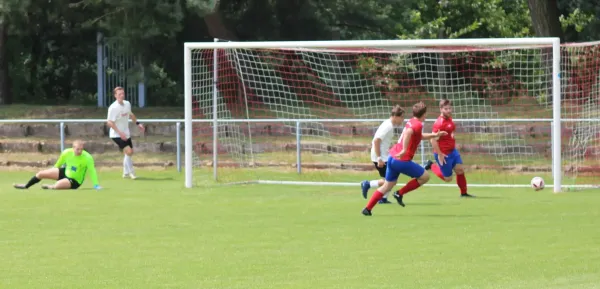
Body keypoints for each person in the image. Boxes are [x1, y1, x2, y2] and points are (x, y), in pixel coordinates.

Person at [362, 101, 446, 216]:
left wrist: (435, 135)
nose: (426, 116)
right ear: (423, 114)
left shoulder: (412, 121)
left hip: (392, 157)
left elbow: (418, 136)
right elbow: (408, 133)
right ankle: (400, 193)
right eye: (425, 114)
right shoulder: (417, 125)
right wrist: (404, 150)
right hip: (401, 160)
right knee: (425, 177)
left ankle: (367, 209)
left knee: (387, 185)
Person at [428, 99, 475, 197]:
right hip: (443, 154)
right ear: (441, 109)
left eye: (450, 108)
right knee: (448, 179)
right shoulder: (439, 123)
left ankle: (464, 193)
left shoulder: (449, 118)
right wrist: (440, 154)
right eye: (446, 109)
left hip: (452, 151)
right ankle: (431, 165)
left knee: (460, 170)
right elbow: (432, 140)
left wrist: (452, 136)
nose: (449, 110)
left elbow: (451, 130)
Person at [360, 105, 405, 204]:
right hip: (380, 157)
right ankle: (368, 184)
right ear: (395, 116)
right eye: (402, 117)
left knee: (390, 180)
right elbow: (376, 141)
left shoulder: (389, 125)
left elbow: (382, 141)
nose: (402, 120)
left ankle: (383, 198)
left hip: (384, 156)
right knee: (390, 181)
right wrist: (379, 158)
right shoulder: (388, 126)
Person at [13, 140, 101, 190]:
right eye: (78, 149)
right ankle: (26, 186)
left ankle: (51, 186)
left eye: (81, 149)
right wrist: (52, 170)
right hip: (65, 172)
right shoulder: (66, 152)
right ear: (73, 148)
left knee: (58, 185)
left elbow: (92, 171)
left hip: (75, 180)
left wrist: (96, 185)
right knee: (41, 174)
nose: (80, 151)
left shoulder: (87, 157)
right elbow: (59, 163)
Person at [107, 86, 144, 179]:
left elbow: (131, 115)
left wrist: (138, 124)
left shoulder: (127, 104)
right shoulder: (113, 107)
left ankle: (125, 173)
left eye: (123, 93)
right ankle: (132, 173)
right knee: (129, 151)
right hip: (116, 134)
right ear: (115, 95)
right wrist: (120, 133)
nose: (122, 95)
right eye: (119, 94)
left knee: (128, 153)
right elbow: (109, 122)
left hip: (126, 133)